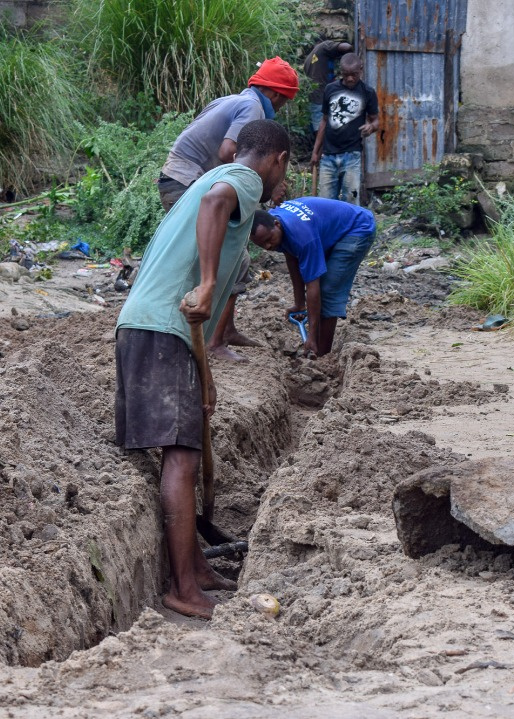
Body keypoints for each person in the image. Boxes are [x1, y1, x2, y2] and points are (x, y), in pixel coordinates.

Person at [116, 120, 291, 620]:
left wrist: (205, 379)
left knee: (182, 447)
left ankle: (198, 567)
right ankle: (182, 589)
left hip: (148, 327)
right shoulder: (242, 180)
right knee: (182, 457)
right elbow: (218, 203)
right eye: (286, 170)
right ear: (276, 158)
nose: (282, 182)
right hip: (162, 328)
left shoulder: (207, 178)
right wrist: (212, 281)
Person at [158, 57, 300, 362]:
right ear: (276, 94)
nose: (282, 108)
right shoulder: (253, 108)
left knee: (234, 258)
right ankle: (212, 341)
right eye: (285, 103)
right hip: (187, 180)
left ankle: (224, 331)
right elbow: (228, 153)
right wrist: (257, 188)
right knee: (232, 257)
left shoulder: (233, 99)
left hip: (180, 177)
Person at [249, 197, 376, 357]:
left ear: (277, 225)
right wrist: (299, 304)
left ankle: (322, 355)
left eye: (269, 240)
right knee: (320, 287)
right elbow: (292, 258)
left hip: (357, 228)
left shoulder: (302, 237)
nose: (268, 247)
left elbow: (312, 285)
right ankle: (319, 345)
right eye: (262, 245)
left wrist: (311, 336)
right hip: (328, 227)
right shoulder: (275, 221)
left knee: (327, 290)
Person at [312, 53, 379, 205]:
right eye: (346, 74)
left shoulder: (367, 92)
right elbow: (324, 121)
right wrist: (316, 151)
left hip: (352, 155)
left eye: (354, 75)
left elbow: (376, 121)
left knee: (350, 200)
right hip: (328, 156)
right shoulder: (330, 89)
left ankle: (349, 229)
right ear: (340, 71)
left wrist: (371, 127)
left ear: (360, 70)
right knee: (325, 204)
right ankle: (330, 229)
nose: (350, 79)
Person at [302, 38, 353, 135]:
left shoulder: (308, 59)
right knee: (324, 129)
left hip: (313, 98)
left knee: (318, 127)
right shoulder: (324, 46)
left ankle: (319, 148)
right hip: (323, 96)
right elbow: (347, 47)